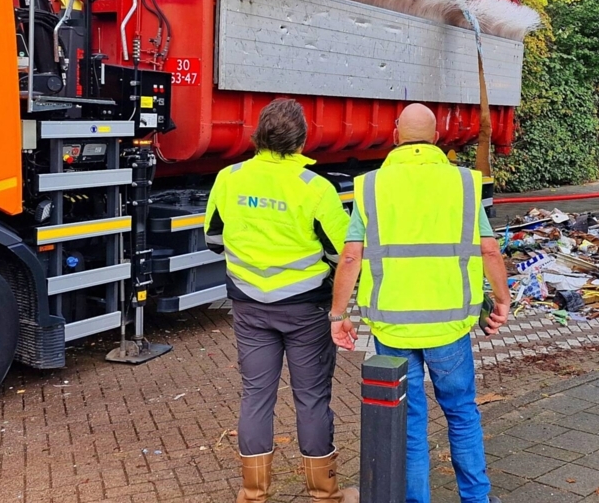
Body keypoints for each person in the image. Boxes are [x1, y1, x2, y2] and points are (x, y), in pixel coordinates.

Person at [327, 103, 512, 503]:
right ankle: (476, 499)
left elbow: (351, 256)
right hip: (449, 326)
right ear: (435, 138)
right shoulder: (463, 182)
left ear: (395, 135)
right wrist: (501, 299)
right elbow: (490, 250)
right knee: (461, 413)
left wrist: (338, 316)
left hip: (392, 327)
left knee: (408, 422)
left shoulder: (371, 185)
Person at [204, 99, 357, 503]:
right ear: (302, 141)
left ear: (258, 136)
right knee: (311, 397)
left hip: (249, 305)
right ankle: (324, 493)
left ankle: (253, 493)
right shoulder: (316, 188)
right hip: (306, 309)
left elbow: (213, 240)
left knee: (256, 394)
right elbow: (344, 253)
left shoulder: (228, 177)